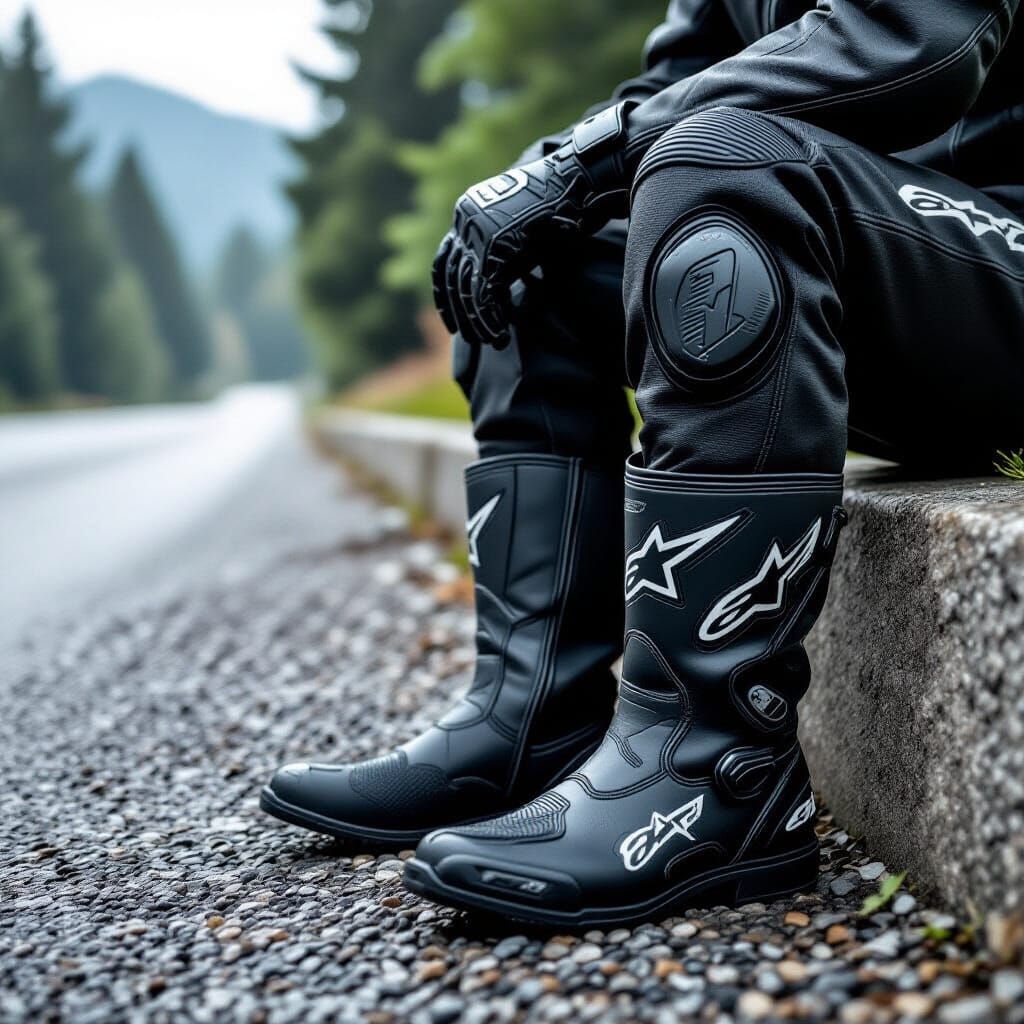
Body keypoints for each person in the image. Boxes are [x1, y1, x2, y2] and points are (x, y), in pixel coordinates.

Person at [263, 0, 1023, 927]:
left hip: (997, 254)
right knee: (532, 252)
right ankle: (531, 725)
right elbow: (673, 86)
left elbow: (913, 44)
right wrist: (546, 176)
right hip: (899, 275)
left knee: (721, 162)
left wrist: (587, 162)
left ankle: (715, 772)